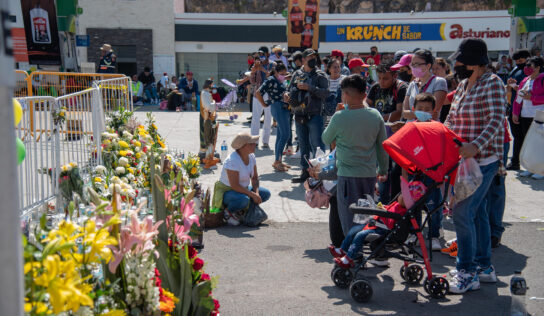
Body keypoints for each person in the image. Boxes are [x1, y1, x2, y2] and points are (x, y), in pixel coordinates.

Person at [445, 38, 505, 294]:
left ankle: (467, 272)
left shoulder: (492, 83)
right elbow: (452, 117)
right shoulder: (461, 86)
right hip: (464, 161)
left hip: (485, 160)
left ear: (476, 62)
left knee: (462, 213)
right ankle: (484, 267)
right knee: (477, 213)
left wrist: (476, 145)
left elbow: (496, 119)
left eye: (461, 60)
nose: (457, 64)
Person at [322, 75, 389, 236]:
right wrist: (383, 170)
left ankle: (351, 253)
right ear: (365, 95)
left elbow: (326, 138)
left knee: (348, 217)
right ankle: (360, 247)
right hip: (369, 174)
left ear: (344, 95)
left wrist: (337, 115)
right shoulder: (375, 115)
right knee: (365, 215)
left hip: (347, 175)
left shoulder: (339, 117)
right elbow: (382, 146)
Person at [366, 61, 408, 204]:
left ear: (395, 76)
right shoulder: (375, 87)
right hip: (379, 135)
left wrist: (377, 117)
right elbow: (367, 103)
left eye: (385, 78)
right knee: (382, 171)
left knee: (395, 172)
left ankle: (394, 204)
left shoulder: (401, 88)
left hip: (395, 136)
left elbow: (399, 112)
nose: (381, 82)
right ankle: (383, 204)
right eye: (379, 78)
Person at [284, 48, 329, 183]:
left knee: (317, 146)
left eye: (314, 57)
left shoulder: (320, 75)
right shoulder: (296, 74)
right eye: (310, 57)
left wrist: (310, 88)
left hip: (315, 115)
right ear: (303, 60)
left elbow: (326, 93)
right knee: (303, 146)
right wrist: (286, 94)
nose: (313, 60)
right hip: (298, 114)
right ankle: (305, 172)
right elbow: (289, 88)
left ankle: (319, 175)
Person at [219, 132, 271, 226]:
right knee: (244, 199)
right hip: (229, 191)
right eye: (251, 144)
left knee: (266, 194)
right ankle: (228, 212)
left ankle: (243, 210)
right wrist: (252, 195)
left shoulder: (251, 157)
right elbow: (235, 186)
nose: (255, 144)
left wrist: (257, 193)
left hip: (243, 189)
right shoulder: (232, 161)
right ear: (243, 147)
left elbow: (255, 178)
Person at [511, 56, 544, 180]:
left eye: (530, 66)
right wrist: (515, 112)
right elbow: (518, 98)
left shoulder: (542, 78)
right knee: (528, 142)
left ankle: (541, 170)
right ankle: (530, 168)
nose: (527, 68)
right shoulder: (525, 80)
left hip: (540, 115)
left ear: (538, 67)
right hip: (525, 115)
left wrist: (532, 98)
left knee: (540, 143)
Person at [255, 63, 291, 172]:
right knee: (286, 134)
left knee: (280, 134)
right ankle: (277, 161)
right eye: (281, 74)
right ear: (276, 72)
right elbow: (258, 93)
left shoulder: (279, 80)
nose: (283, 76)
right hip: (278, 107)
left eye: (285, 74)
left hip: (283, 108)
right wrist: (264, 104)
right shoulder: (271, 80)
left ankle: (278, 160)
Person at [402, 50, 447, 121]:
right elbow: (404, 113)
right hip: (412, 128)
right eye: (412, 64)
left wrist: (413, 113)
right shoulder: (412, 84)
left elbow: (434, 113)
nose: (413, 67)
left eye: (416, 64)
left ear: (428, 65)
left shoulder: (439, 82)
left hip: (429, 128)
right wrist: (423, 114)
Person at [506, 49, 531, 170]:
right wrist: (509, 91)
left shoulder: (532, 72)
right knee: (517, 137)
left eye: (521, 61)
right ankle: (515, 161)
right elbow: (509, 91)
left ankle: (526, 163)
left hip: (527, 110)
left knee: (528, 138)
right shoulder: (515, 70)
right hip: (514, 108)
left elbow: (529, 92)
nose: (518, 63)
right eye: (516, 61)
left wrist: (515, 88)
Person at [250, 57, 272, 148]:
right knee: (255, 118)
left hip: (269, 94)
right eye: (258, 57)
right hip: (257, 93)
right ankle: (254, 141)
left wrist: (262, 69)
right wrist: (253, 72)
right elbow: (252, 82)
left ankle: (265, 141)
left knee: (268, 118)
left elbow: (271, 77)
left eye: (262, 56)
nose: (259, 60)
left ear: (267, 56)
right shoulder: (255, 67)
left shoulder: (272, 65)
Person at [200, 79, 220, 169]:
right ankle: (208, 161)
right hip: (207, 118)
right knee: (209, 140)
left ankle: (210, 158)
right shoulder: (204, 93)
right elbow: (208, 106)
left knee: (212, 139)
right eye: (212, 85)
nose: (213, 86)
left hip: (211, 118)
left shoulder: (207, 93)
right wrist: (214, 104)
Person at [324, 59, 346, 126]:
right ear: (329, 69)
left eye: (338, 67)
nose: (337, 69)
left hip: (341, 113)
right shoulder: (325, 80)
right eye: (334, 67)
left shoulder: (345, 80)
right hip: (326, 114)